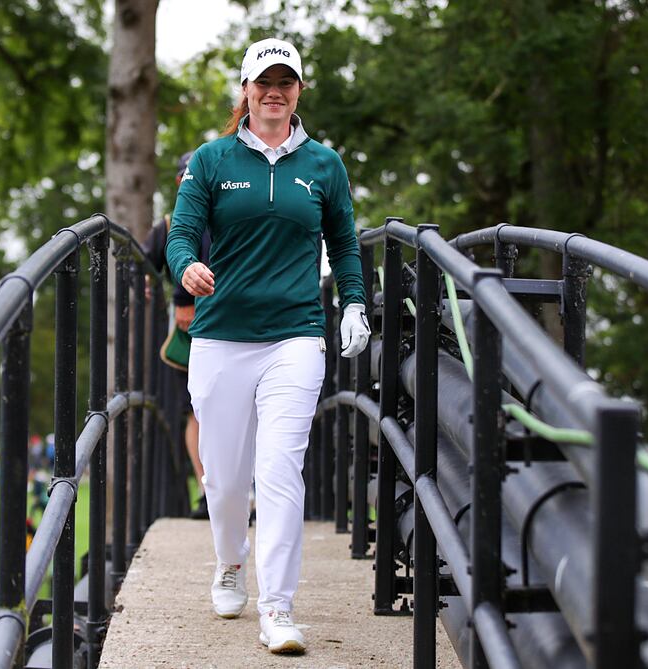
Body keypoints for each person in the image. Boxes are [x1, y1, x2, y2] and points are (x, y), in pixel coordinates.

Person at [165, 37, 370, 655]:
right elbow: (180, 234)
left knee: (279, 470)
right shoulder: (210, 159)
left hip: (297, 335)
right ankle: (230, 561)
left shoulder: (324, 166)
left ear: (299, 90)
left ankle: (278, 609)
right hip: (222, 336)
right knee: (225, 480)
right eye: (264, 82)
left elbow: (347, 241)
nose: (274, 91)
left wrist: (355, 302)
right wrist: (186, 267)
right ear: (246, 91)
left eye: (286, 81)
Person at [143, 150, 212, 520]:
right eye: (188, 178)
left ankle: (244, 491)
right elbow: (142, 261)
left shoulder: (228, 212)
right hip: (192, 329)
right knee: (198, 410)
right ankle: (206, 492)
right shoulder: (169, 225)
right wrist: (147, 283)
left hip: (238, 320)